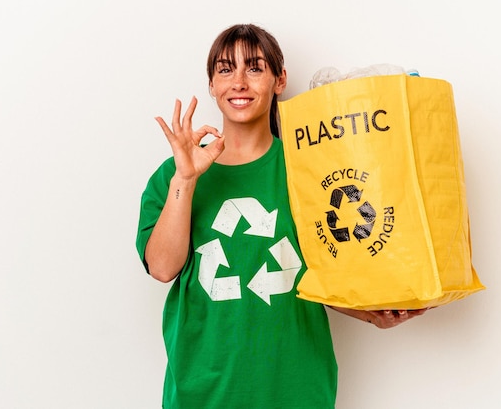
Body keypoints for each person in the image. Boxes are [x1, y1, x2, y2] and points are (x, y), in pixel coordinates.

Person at [136, 23, 427, 409]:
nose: (239, 81)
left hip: (295, 387)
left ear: (280, 80)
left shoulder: (312, 169)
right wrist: (186, 179)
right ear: (211, 85)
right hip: (202, 390)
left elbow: (316, 273)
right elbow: (161, 267)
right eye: (225, 70)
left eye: (254, 68)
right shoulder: (174, 174)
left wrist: (374, 316)